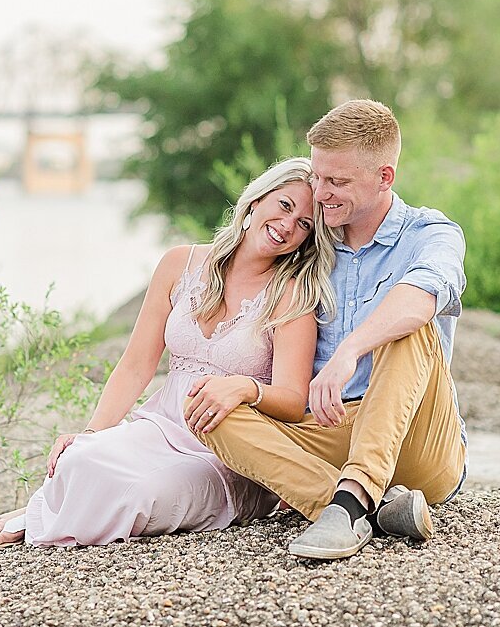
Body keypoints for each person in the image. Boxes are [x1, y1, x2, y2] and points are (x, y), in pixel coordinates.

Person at [0, 157, 338, 547]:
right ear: (256, 201)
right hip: (158, 427)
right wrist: (90, 433)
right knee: (78, 458)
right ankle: (48, 509)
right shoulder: (179, 263)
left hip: (225, 453)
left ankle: (43, 518)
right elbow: (136, 366)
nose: (288, 225)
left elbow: (291, 400)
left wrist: (246, 388)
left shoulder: (292, 296)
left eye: (305, 224)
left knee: (141, 493)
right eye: (284, 206)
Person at [200, 99, 467, 560]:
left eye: (337, 182)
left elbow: (422, 296)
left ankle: (347, 503)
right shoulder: (311, 242)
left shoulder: (431, 233)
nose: (320, 193)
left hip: (418, 438)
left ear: (385, 177)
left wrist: (350, 350)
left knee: (407, 327)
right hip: (331, 431)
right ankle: (370, 506)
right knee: (211, 408)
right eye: (318, 178)